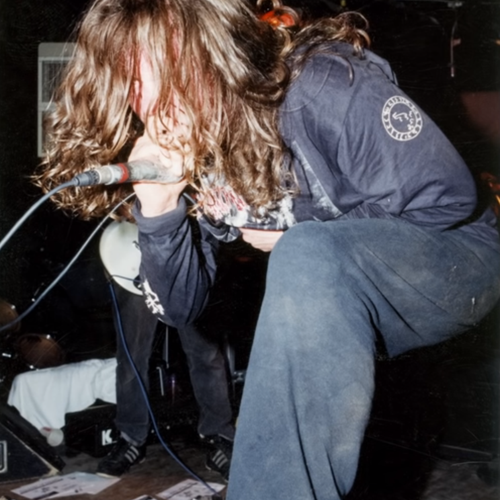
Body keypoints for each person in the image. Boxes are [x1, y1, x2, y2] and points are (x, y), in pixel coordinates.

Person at [35, 1, 500, 499]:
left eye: (155, 71)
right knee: (305, 261)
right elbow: (179, 308)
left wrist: (304, 233)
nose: (145, 101)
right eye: (130, 84)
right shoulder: (198, 145)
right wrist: (160, 209)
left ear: (210, 48)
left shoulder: (319, 83)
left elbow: (447, 198)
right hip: (339, 281)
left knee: (306, 254)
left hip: (456, 257)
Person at [96, 281, 235, 479]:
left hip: (185, 270)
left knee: (206, 353)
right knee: (131, 357)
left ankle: (218, 437)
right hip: (133, 269)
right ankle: (131, 439)